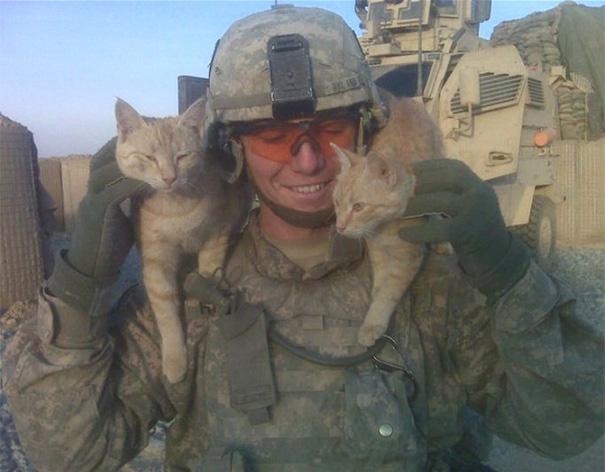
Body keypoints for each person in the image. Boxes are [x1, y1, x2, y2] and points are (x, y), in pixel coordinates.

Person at [3, 5, 603, 472]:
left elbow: (568, 424)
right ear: (231, 147)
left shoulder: (427, 283)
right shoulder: (196, 293)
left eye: (329, 126)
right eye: (272, 135)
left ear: (361, 135)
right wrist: (81, 286)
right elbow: (71, 453)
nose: (309, 159)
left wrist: (508, 274)